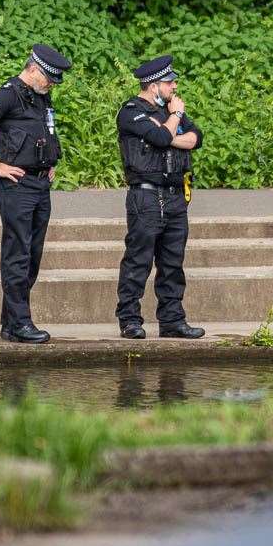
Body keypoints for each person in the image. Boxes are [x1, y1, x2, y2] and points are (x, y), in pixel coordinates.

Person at [0, 43, 71, 344]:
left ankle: (10, 323)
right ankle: (21, 323)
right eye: (49, 78)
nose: (52, 84)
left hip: (40, 184)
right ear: (34, 69)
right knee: (18, 254)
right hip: (17, 186)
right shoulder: (9, 93)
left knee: (32, 255)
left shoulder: (40, 96)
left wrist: (48, 163)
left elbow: (43, 134)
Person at [113, 55, 205, 340]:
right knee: (138, 261)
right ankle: (129, 320)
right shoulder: (131, 111)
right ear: (154, 86)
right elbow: (164, 137)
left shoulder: (170, 111)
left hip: (175, 196)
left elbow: (196, 137)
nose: (175, 87)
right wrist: (173, 122)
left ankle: (172, 320)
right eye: (170, 83)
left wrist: (167, 132)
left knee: (172, 262)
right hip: (146, 197)